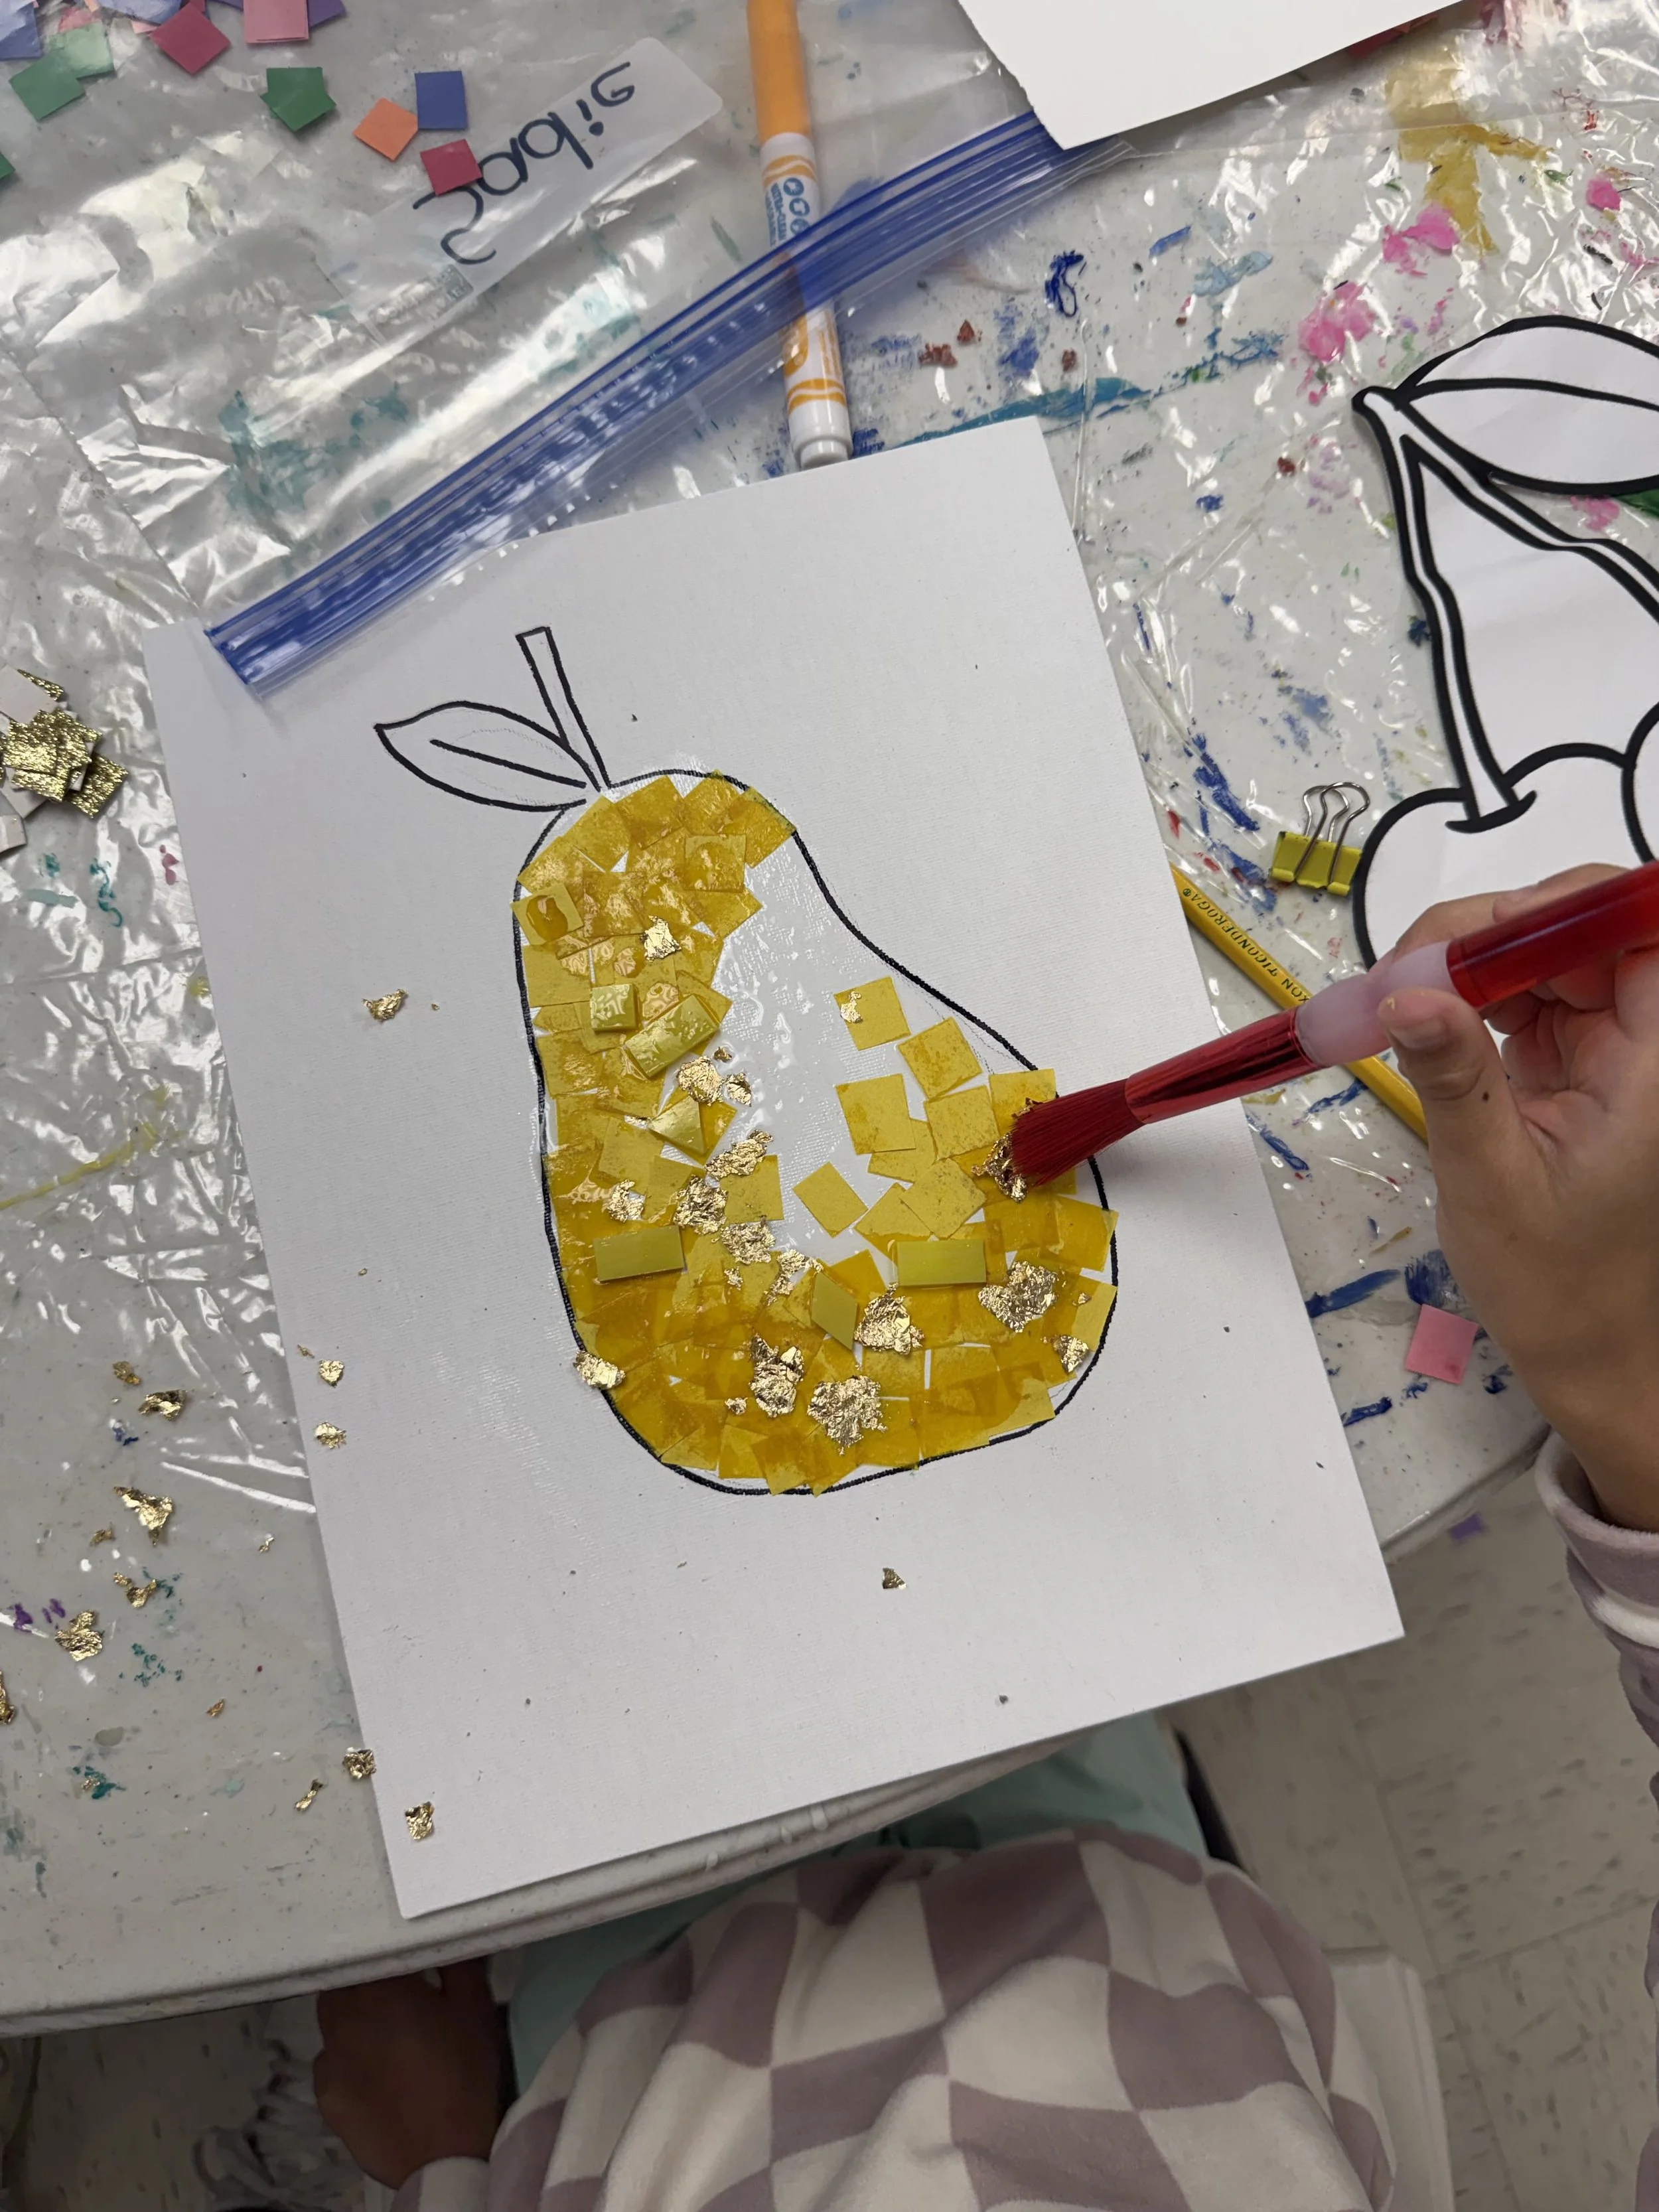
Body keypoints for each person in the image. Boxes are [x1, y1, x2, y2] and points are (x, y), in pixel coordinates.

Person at [236, 866, 1659, 2211]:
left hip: (627, 2019)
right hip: (1126, 1908)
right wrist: (1617, 1370)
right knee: (1047, 1702)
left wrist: (443, 2166)